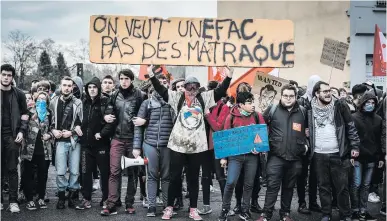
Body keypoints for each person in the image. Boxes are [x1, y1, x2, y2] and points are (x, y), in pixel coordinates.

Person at [148, 66, 233, 221]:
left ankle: (193, 209)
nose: (192, 89)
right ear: (185, 87)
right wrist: (152, 75)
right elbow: (161, 90)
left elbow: (220, 91)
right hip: (178, 145)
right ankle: (169, 207)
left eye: (195, 86)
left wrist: (228, 77)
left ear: (198, 87)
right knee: (174, 177)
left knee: (193, 178)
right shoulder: (176, 97)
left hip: (197, 147)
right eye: (189, 86)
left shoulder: (204, 97)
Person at [309, 81, 360, 221]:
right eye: (324, 91)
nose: (328, 94)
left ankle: (346, 215)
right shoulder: (310, 108)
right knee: (323, 186)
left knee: (342, 187)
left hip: (338, 153)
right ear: (316, 93)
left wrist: (355, 146)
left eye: (329, 91)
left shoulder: (340, 106)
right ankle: (326, 214)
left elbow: (351, 127)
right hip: (319, 154)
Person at [256, 84, 307, 221]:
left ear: (296, 97)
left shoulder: (303, 111)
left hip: (295, 158)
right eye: (286, 96)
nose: (288, 99)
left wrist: (306, 147)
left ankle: (285, 214)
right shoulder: (272, 109)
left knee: (289, 187)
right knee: (272, 187)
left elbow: (308, 132)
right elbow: (259, 126)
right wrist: (258, 144)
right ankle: (266, 214)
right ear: (281, 96)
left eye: (291, 96)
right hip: (276, 157)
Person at [100, 69, 145, 216]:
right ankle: (111, 203)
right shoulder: (114, 95)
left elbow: (145, 116)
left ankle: (129, 203)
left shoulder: (140, 95)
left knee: (133, 173)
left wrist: (139, 142)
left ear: (131, 80)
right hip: (117, 139)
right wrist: (106, 116)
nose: (124, 81)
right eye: (121, 78)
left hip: (133, 140)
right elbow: (108, 112)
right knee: (114, 172)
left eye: (126, 78)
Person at [218, 91, 265, 221]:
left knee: (249, 184)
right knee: (231, 182)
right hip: (235, 157)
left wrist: (259, 149)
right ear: (241, 105)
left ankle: (245, 210)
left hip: (252, 157)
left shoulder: (257, 116)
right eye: (249, 103)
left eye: (252, 102)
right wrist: (223, 158)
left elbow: (262, 134)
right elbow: (226, 138)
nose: (252, 105)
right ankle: (224, 210)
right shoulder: (231, 117)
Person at [133, 77, 174, 217]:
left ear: (168, 85)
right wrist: (136, 147)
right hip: (150, 144)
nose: (161, 84)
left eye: (164, 82)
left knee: (166, 176)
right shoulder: (147, 103)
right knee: (151, 176)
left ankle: (166, 205)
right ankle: (151, 206)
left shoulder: (172, 102)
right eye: (159, 82)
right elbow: (138, 126)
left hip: (168, 145)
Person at [76, 77, 110, 210]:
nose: (92, 90)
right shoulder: (83, 102)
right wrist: (77, 126)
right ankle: (86, 199)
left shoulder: (105, 102)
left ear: (99, 88)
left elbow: (111, 121)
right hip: (85, 145)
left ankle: (106, 199)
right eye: (89, 87)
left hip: (101, 145)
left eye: (94, 87)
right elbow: (77, 119)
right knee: (85, 172)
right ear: (86, 89)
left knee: (104, 173)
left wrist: (101, 134)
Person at [50, 76, 83, 209]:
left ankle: (72, 197)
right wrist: (53, 130)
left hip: (74, 140)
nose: (67, 88)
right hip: (60, 141)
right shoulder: (53, 101)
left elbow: (82, 122)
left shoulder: (78, 102)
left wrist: (73, 132)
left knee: (75, 171)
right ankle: (62, 196)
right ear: (60, 86)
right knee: (61, 171)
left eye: (69, 85)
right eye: (64, 85)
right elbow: (48, 120)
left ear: (73, 87)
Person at [350, 92, 384, 221]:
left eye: (373, 103)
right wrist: (351, 154)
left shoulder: (378, 119)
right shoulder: (354, 117)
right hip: (358, 157)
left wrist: (380, 157)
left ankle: (363, 211)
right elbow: (351, 138)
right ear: (362, 103)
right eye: (368, 102)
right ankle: (354, 210)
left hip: (372, 157)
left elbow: (380, 139)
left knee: (365, 186)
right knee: (356, 184)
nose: (370, 105)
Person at [1, 64, 29, 213]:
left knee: (12, 168)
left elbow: (25, 114)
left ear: (12, 77)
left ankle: (13, 201)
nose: (6, 77)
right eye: (4, 74)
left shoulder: (19, 94)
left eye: (9, 75)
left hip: (13, 136)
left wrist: (22, 131)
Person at [21, 91, 52, 210]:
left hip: (44, 149)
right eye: (39, 99)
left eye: (44, 99)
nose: (41, 101)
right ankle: (29, 199)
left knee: (42, 175)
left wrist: (49, 135)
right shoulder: (28, 112)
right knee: (28, 174)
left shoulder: (49, 113)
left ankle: (41, 198)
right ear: (35, 99)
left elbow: (53, 127)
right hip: (30, 148)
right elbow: (23, 126)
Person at [296, 75, 322, 214]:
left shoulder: (321, 101)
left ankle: (313, 202)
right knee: (302, 174)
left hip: (318, 143)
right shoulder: (301, 100)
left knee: (315, 175)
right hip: (304, 143)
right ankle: (302, 203)